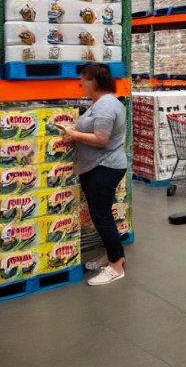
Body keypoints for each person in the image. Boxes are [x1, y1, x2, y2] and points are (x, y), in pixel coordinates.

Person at [54, 64, 129, 286]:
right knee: (101, 216)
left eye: (83, 80)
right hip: (97, 166)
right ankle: (115, 255)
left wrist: (72, 133)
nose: (81, 84)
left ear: (93, 80)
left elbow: (101, 139)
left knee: (102, 217)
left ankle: (116, 267)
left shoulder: (105, 105)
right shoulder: (102, 103)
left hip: (105, 167)